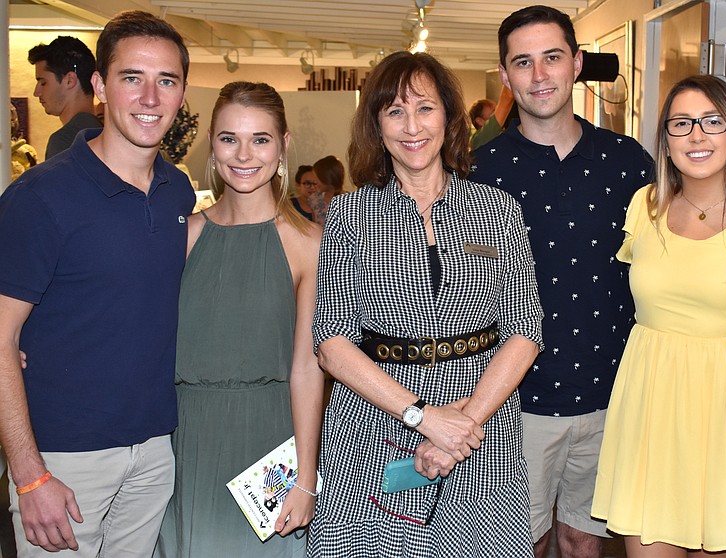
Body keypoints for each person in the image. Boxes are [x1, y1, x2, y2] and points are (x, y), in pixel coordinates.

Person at [469, 6, 726, 558]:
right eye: (523, 62)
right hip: (513, 403)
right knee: (517, 544)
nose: (540, 74)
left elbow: (690, 257)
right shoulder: (475, 171)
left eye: (552, 57)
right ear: (505, 75)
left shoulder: (629, 163)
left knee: (585, 543)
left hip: (623, 399)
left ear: (577, 63)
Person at [308, 50, 544, 557]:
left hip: (481, 430)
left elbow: (526, 330)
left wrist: (462, 425)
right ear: (376, 127)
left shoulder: (497, 210)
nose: (412, 126)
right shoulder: (350, 214)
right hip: (374, 428)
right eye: (395, 111)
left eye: (425, 108)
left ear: (449, 118)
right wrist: (424, 418)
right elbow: (331, 344)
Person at [0, 10, 193, 557]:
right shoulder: (41, 196)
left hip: (155, 450)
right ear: (100, 86)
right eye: (132, 78)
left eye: (167, 81)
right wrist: (29, 474)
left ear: (181, 94)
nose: (150, 97)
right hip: (63, 459)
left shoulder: (178, 191)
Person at [592, 74, 726, 556]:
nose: (696, 135)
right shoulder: (644, 206)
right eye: (682, 123)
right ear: (666, 142)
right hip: (648, 413)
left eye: (712, 121)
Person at [155, 81, 324, 557]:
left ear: (283, 145)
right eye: (229, 138)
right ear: (212, 143)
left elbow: (307, 369)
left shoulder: (309, 244)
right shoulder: (182, 236)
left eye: (260, 139)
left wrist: (306, 478)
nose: (244, 154)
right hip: (183, 439)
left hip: (271, 439)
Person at [27, 36, 102, 160]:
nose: (37, 92)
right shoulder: (105, 133)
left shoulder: (64, 141)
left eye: (43, 82)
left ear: (70, 80)